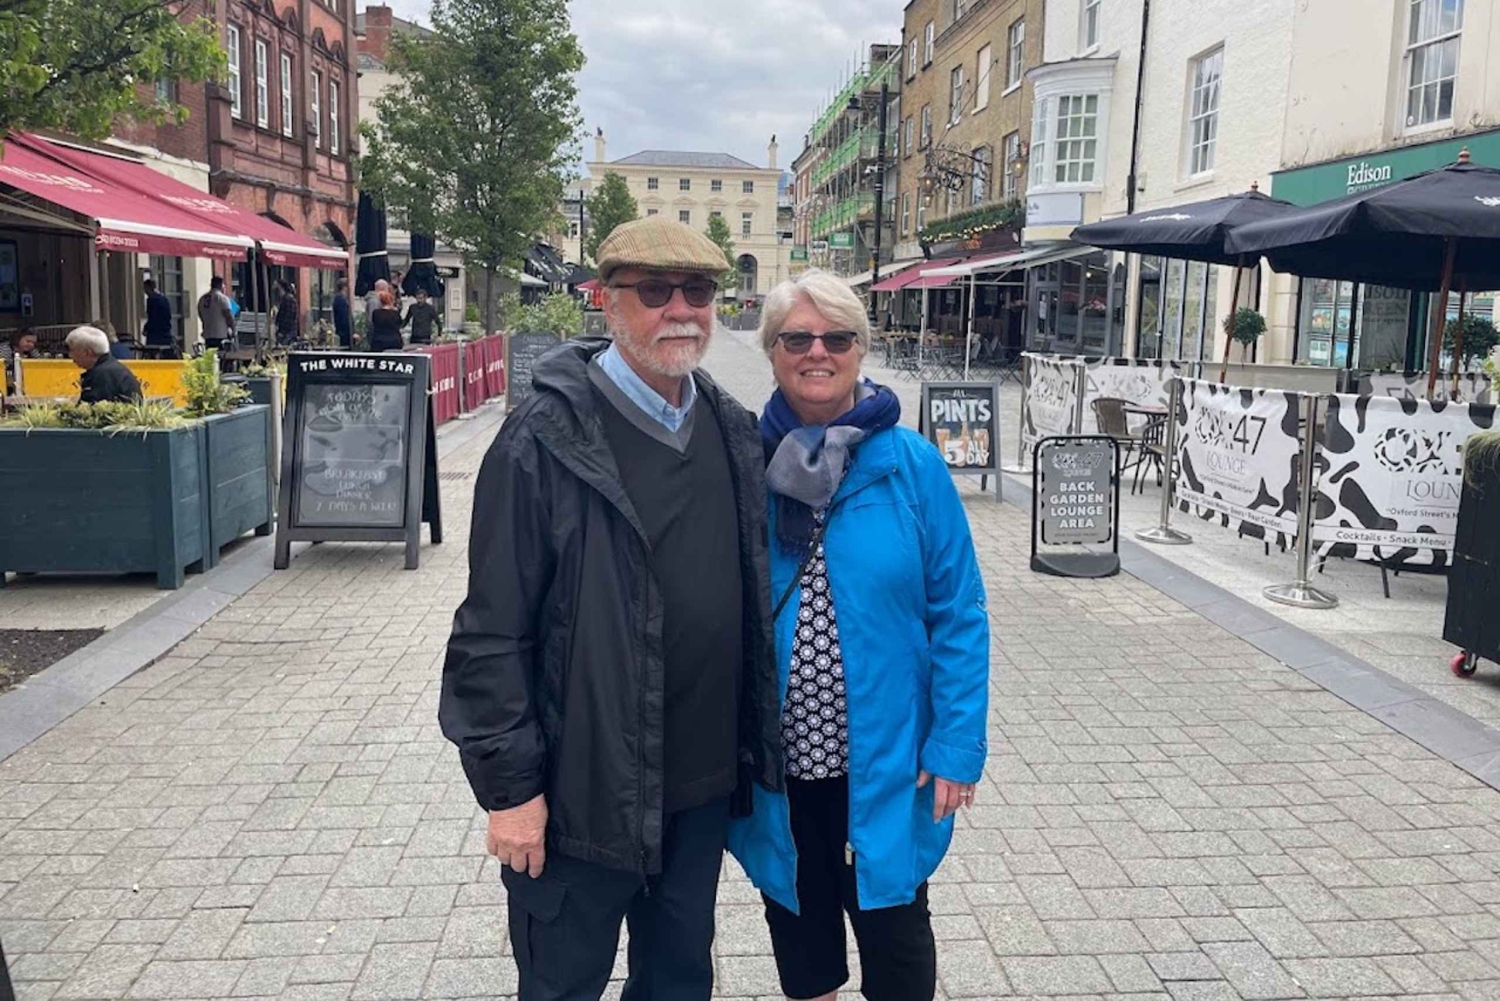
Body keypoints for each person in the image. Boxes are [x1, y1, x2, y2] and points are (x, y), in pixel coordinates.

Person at [440, 216, 781, 1001]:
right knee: (562, 986)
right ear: (607, 299)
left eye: (697, 291)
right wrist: (510, 791)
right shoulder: (542, 438)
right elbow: (490, 632)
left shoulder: (730, 429)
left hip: (695, 790)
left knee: (677, 983)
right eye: (655, 291)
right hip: (579, 798)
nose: (680, 309)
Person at [727, 270, 990, 1001]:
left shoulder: (912, 465)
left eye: (837, 337)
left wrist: (956, 745)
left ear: (860, 350)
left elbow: (959, 613)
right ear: (771, 352)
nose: (818, 352)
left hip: (886, 761)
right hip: (779, 767)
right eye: (797, 339)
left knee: (897, 942)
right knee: (803, 948)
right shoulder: (742, 465)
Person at [67, 325, 141, 403]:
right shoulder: (111, 369)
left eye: (72, 350)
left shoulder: (101, 377)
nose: (70, 355)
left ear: (87, 352)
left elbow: (92, 407)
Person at [197, 276, 236, 355]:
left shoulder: (202, 299)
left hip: (207, 334)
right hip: (220, 334)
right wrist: (233, 329)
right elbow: (228, 316)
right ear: (220, 285)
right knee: (223, 357)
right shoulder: (222, 298)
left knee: (210, 357)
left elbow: (200, 314)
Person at [1, 327, 39, 395]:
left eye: (33, 343)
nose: (31, 345)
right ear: (18, 338)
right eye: (28, 341)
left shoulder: (33, 352)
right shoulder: (5, 349)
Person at [142, 279, 175, 355]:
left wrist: (146, 328)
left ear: (148, 288)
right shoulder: (164, 299)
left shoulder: (151, 300)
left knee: (151, 353)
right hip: (165, 332)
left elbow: (152, 317)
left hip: (155, 333)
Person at [274, 281, 300, 345]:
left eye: (278, 289)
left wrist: (282, 330)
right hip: (286, 330)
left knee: (285, 345)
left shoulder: (288, 299)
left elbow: (289, 316)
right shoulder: (284, 299)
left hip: (288, 331)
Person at [332, 277, 353, 349]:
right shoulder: (340, 300)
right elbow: (344, 318)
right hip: (344, 334)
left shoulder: (341, 299)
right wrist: (350, 332)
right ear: (345, 287)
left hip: (343, 333)